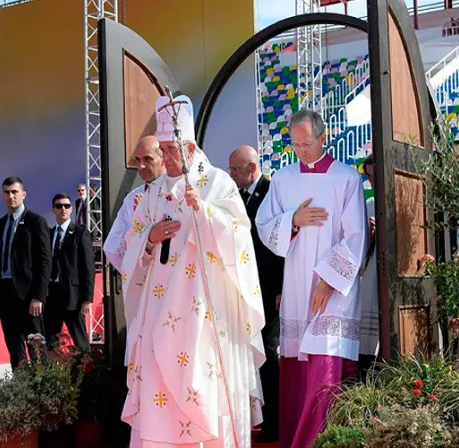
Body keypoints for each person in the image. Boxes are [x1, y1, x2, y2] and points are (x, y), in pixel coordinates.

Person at [119, 94, 266, 447]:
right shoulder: (152, 193)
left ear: (191, 146)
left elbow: (241, 241)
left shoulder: (217, 183)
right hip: (158, 311)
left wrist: (205, 212)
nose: (167, 157)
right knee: (158, 385)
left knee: (200, 382)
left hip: (203, 312)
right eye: (164, 149)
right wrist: (150, 239)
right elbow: (132, 247)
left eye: (172, 149)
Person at [255, 109, 370, 447]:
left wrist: (327, 282)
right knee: (296, 367)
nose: (301, 151)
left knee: (325, 365)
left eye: (307, 143)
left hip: (332, 291)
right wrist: (294, 219)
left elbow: (356, 237)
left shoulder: (347, 179)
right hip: (295, 283)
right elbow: (264, 226)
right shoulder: (283, 179)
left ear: (324, 137)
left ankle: (318, 441)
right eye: (295, 145)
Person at [228, 145, 284, 443]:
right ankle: (257, 415)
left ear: (251, 168)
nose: (232, 175)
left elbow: (279, 246)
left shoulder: (271, 192)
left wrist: (281, 288)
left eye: (235, 169)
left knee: (268, 355)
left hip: (267, 289)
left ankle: (275, 420)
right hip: (242, 291)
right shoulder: (236, 196)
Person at [0, 176, 52, 370]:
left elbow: (45, 262)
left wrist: (38, 296)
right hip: (6, 294)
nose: (11, 196)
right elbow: (1, 260)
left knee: (35, 347)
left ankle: (42, 391)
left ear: (23, 195)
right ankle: (20, 390)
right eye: (7, 192)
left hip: (29, 296)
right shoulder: (2, 223)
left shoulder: (36, 222)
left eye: (14, 192)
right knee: (14, 347)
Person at [104, 135, 166, 273]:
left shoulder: (179, 191)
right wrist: (137, 221)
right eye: (138, 160)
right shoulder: (132, 199)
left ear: (164, 158)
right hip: (145, 279)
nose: (141, 166)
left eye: (148, 159)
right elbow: (113, 247)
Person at [44, 193, 95, 350]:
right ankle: (53, 373)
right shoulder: (49, 234)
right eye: (59, 206)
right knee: (50, 340)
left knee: (80, 341)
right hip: (51, 295)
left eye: (66, 206)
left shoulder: (80, 233)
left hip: (73, 296)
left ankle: (87, 372)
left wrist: (87, 299)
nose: (63, 209)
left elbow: (88, 267)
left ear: (72, 209)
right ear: (53, 209)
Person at [358, 154, 380, 382]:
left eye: (376, 175)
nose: (373, 182)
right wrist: (371, 237)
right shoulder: (369, 205)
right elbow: (360, 253)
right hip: (372, 274)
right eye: (369, 176)